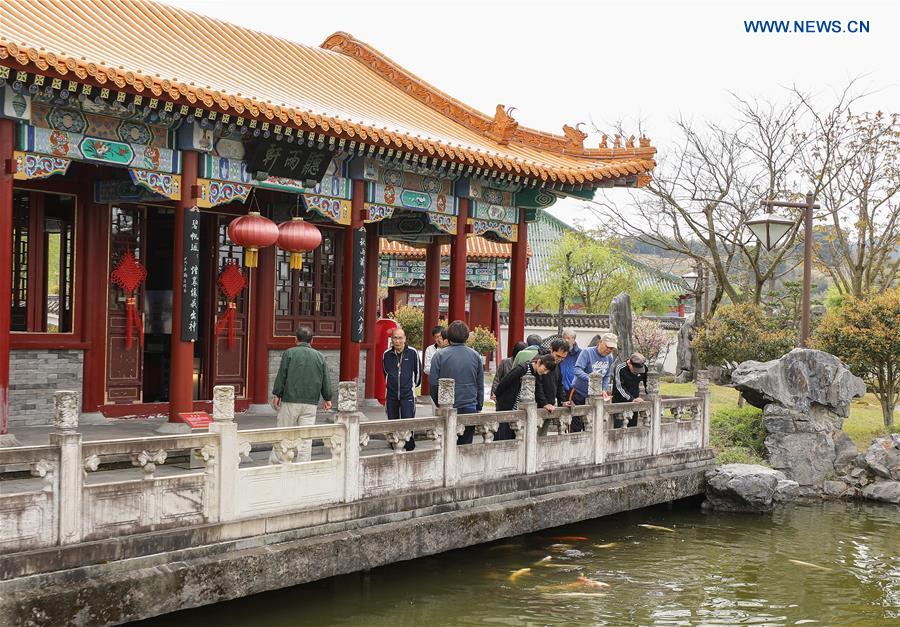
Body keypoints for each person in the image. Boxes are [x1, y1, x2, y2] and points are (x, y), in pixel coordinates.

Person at [271, 326, 333, 462]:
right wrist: (327, 398)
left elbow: (282, 375)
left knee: (284, 433)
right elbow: (325, 379)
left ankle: (280, 464)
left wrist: (277, 394)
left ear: (295, 339)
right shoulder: (320, 357)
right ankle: (303, 465)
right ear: (312, 340)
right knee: (306, 438)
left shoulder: (289, 353)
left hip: (290, 400)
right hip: (310, 404)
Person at [429, 320, 484, 444]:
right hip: (470, 404)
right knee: (465, 445)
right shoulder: (475, 356)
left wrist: (439, 402)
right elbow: (480, 383)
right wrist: (479, 405)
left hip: (447, 406)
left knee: (447, 443)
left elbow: (433, 383)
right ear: (466, 336)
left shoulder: (439, 356)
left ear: (448, 336)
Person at [494, 353, 558, 440]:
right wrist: (496, 394)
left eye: (547, 371)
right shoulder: (522, 368)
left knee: (513, 435)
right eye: (545, 369)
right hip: (507, 404)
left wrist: (545, 404)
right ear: (538, 362)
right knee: (503, 434)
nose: (545, 372)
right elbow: (506, 380)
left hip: (517, 407)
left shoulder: (536, 374)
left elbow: (538, 390)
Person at [570, 332, 618, 431]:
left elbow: (606, 376)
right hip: (579, 393)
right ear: (600, 342)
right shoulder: (587, 352)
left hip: (595, 396)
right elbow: (577, 370)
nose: (609, 350)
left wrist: (603, 389)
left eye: (612, 348)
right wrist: (592, 379)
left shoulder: (609, 357)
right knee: (576, 426)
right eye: (607, 346)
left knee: (592, 426)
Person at [383, 327, 420, 451]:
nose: (397, 341)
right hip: (391, 393)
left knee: (408, 418)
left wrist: (412, 386)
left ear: (405, 339)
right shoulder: (387, 354)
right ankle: (394, 442)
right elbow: (385, 372)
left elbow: (418, 373)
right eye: (395, 338)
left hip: (408, 392)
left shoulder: (413, 352)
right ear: (392, 339)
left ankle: (409, 443)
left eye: (400, 338)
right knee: (392, 419)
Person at [612, 352, 649, 427]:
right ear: (629, 364)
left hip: (635, 402)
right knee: (619, 428)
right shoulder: (620, 368)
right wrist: (631, 399)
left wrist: (651, 395)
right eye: (635, 370)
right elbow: (619, 387)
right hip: (620, 402)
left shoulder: (643, 368)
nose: (637, 372)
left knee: (633, 427)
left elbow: (647, 382)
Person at [535, 338, 570, 412]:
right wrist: (544, 403)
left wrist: (563, 401)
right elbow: (537, 384)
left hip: (550, 406)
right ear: (551, 350)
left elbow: (559, 384)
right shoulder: (540, 360)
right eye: (558, 356)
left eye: (563, 358)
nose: (559, 359)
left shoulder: (557, 364)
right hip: (537, 406)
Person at [559, 328, 582, 400]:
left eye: (569, 338)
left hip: (575, 389)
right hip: (560, 387)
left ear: (574, 340)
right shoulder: (558, 352)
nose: (566, 340)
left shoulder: (580, 353)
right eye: (565, 338)